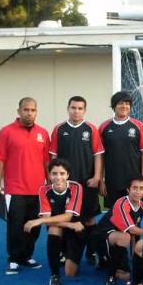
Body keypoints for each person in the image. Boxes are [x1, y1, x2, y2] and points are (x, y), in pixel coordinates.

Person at [0, 97, 50, 275]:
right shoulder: (6, 132)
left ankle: (26, 256)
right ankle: (14, 258)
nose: (29, 113)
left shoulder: (43, 133)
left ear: (36, 112)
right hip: (15, 189)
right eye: (26, 109)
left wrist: (49, 183)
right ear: (19, 111)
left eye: (33, 110)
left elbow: (46, 161)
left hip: (38, 190)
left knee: (33, 226)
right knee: (15, 226)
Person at [49, 96, 104, 264]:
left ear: (84, 111)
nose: (76, 111)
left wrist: (97, 177)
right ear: (68, 108)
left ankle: (92, 252)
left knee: (88, 219)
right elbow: (53, 156)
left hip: (87, 183)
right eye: (73, 108)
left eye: (80, 108)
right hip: (64, 185)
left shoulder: (91, 129)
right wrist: (53, 179)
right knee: (65, 218)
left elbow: (98, 155)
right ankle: (63, 253)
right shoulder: (59, 129)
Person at [94, 176, 143, 285]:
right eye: (134, 188)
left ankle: (104, 262)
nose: (138, 191)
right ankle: (110, 276)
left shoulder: (141, 206)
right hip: (101, 238)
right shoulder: (121, 204)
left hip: (119, 238)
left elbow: (135, 233)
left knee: (129, 274)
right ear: (128, 190)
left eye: (141, 188)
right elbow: (131, 230)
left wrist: (134, 259)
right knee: (125, 237)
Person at [24, 159, 84, 285]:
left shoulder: (76, 187)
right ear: (49, 175)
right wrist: (70, 224)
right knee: (53, 229)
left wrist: (38, 220)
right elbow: (48, 219)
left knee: (70, 273)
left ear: (68, 175)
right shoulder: (43, 190)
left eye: (62, 173)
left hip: (75, 231)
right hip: (66, 227)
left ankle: (67, 253)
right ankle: (55, 275)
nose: (58, 177)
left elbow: (68, 217)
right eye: (54, 174)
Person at [99, 91, 143, 208]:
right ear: (114, 106)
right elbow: (100, 155)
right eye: (120, 103)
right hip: (113, 179)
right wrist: (101, 179)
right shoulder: (104, 127)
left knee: (134, 211)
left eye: (127, 104)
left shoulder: (138, 126)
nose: (124, 106)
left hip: (134, 180)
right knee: (114, 212)